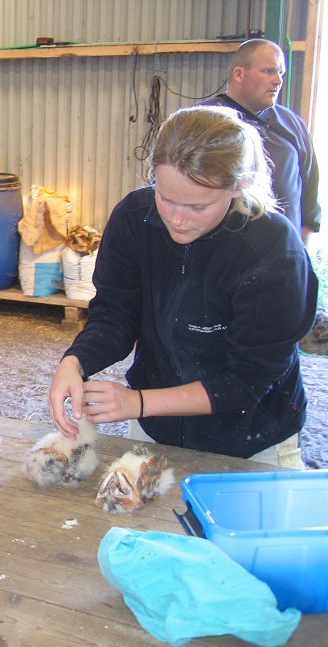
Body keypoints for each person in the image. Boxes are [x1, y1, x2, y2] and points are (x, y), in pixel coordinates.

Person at [49, 106, 318, 468]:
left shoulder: (273, 250)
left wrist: (138, 402)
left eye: (197, 206)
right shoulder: (134, 218)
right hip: (157, 426)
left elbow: (247, 381)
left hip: (252, 437)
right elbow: (115, 314)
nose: (176, 219)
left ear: (238, 186)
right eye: (166, 198)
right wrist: (75, 361)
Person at [200, 38, 321, 245]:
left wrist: (301, 249)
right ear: (239, 74)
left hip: (283, 252)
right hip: (224, 253)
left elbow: (310, 192)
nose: (278, 80)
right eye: (269, 71)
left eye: (281, 73)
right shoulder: (202, 122)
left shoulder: (291, 124)